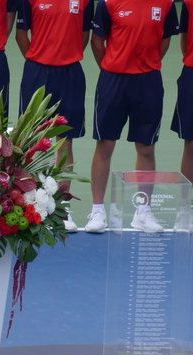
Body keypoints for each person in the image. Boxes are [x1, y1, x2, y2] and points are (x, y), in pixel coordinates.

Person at [85, 0, 178, 234]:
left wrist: (146, 64)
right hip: (113, 81)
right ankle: (97, 211)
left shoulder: (166, 4)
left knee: (146, 148)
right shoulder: (108, 3)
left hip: (148, 82)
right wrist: (111, 66)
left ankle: (143, 212)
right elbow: (97, 41)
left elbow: (164, 41)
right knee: (105, 145)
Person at [15, 0, 93, 233]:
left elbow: (84, 36)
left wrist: (65, 56)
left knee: (65, 140)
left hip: (70, 73)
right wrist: (37, 57)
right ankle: (27, 203)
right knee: (29, 140)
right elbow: (21, 34)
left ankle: (62, 206)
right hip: (37, 71)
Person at [172, 0, 193, 182]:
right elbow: (185, 40)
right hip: (192, 74)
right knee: (191, 142)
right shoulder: (189, 4)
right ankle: (185, 205)